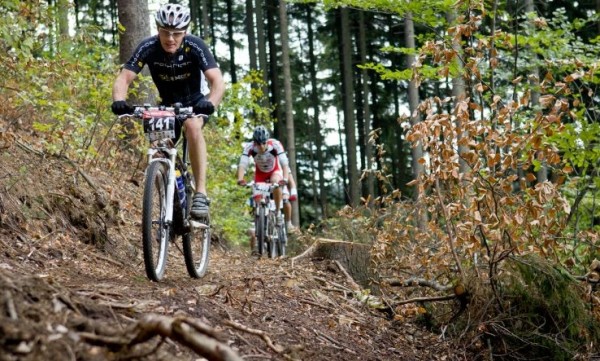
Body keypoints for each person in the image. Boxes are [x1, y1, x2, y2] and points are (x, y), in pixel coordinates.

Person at [111, 3, 225, 219]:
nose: (170, 38)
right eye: (165, 32)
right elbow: (124, 78)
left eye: (176, 33)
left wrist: (210, 102)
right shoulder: (148, 47)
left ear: (185, 32)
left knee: (192, 125)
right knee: (158, 149)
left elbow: (217, 81)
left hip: (195, 103)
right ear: (158, 29)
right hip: (167, 107)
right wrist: (119, 100)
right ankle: (171, 198)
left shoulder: (195, 46)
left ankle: (200, 192)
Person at [237, 125, 289, 230]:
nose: (261, 146)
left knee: (276, 183)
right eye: (258, 143)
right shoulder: (249, 147)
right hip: (260, 175)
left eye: (263, 143)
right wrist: (240, 178)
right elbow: (243, 164)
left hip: (274, 171)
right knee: (257, 200)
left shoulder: (275, 144)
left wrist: (285, 178)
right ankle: (260, 225)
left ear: (267, 141)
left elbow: (284, 163)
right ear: (254, 142)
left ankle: (278, 212)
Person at [282, 167, 298, 231]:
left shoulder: (282, 162)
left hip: (281, 187)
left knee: (285, 200)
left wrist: (293, 193)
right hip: (267, 187)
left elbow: (291, 181)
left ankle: (288, 223)